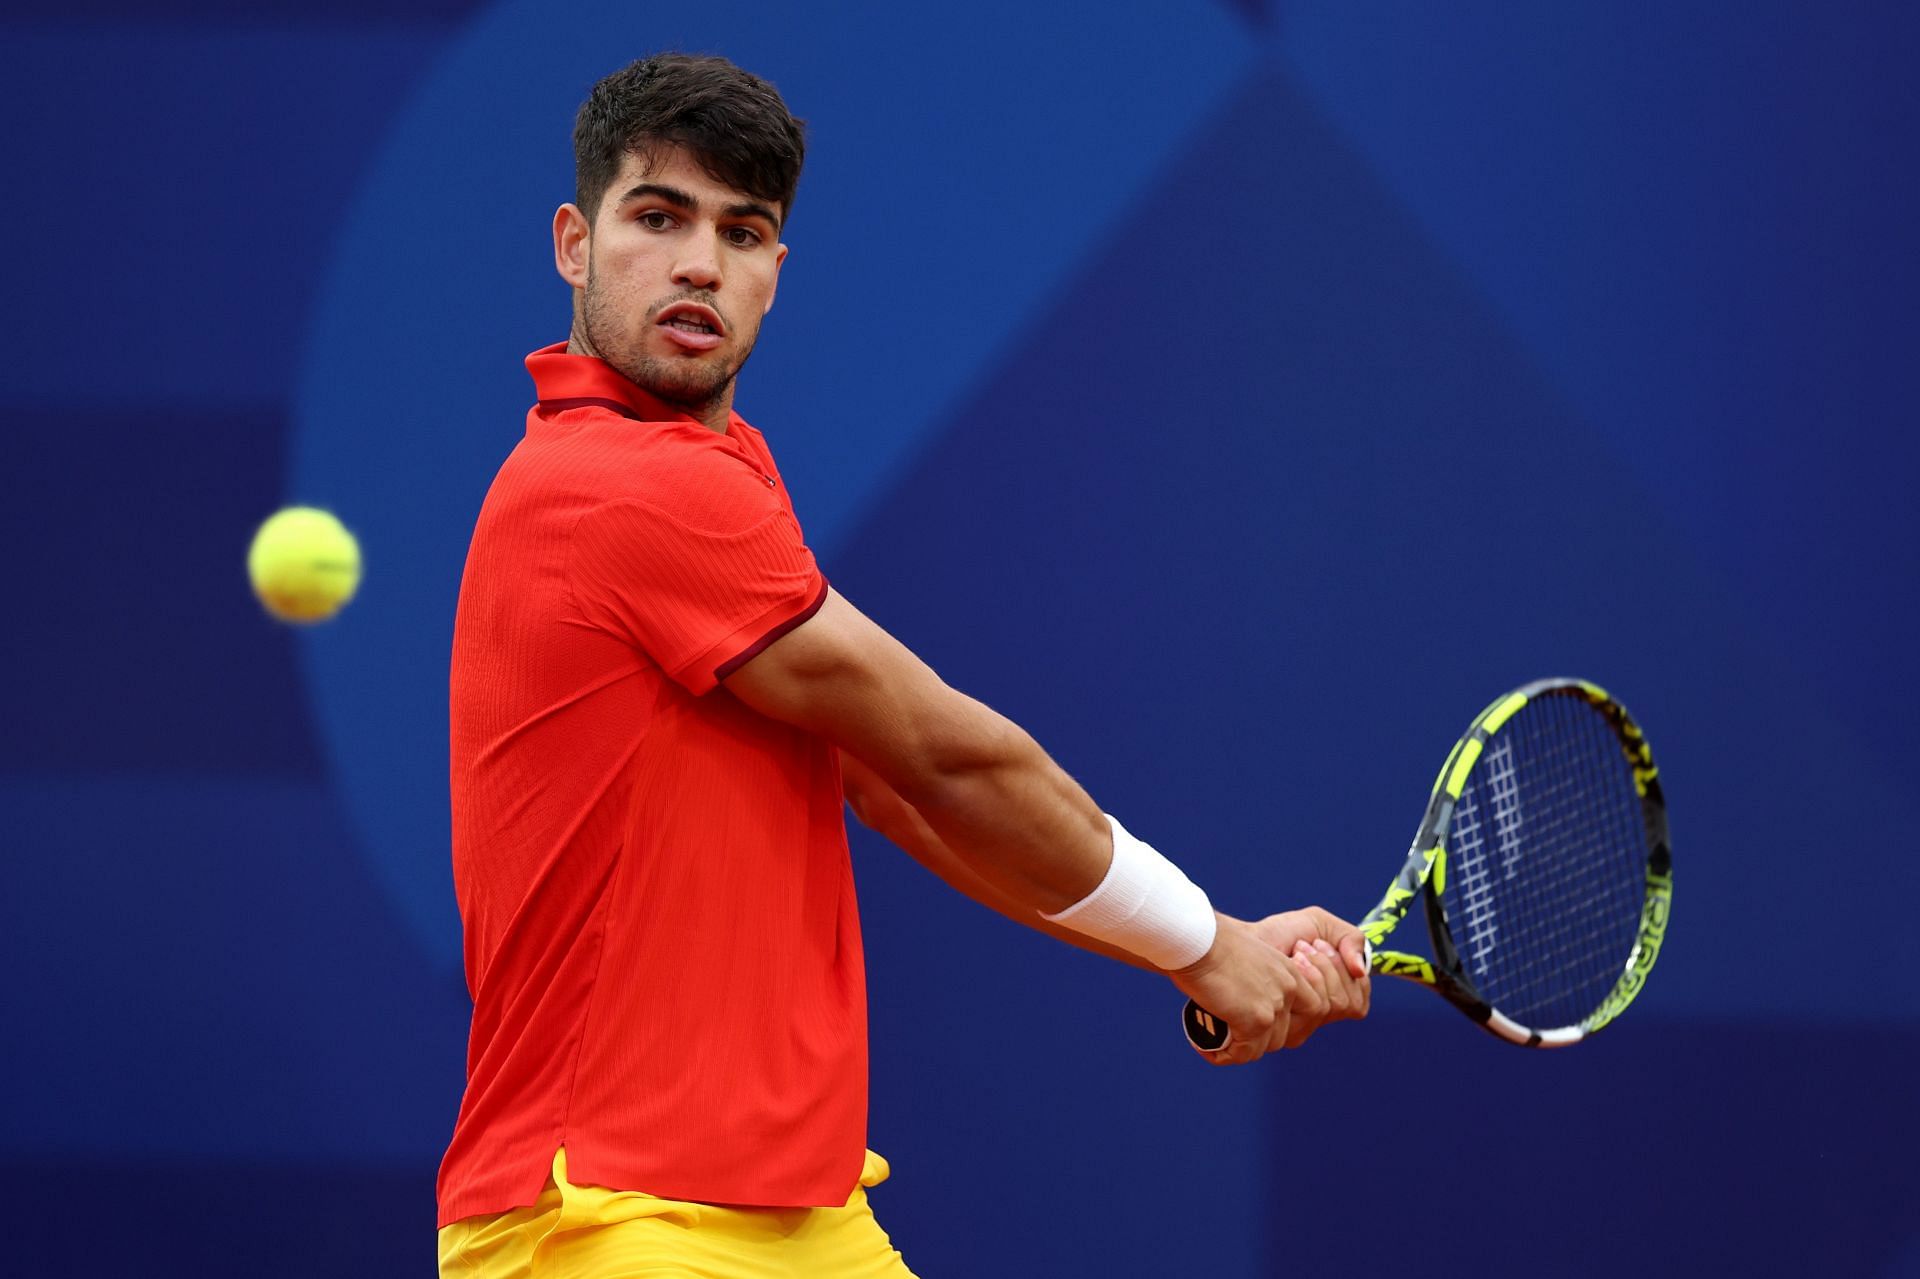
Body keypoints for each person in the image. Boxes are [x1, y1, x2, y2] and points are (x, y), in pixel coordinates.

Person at [435, 51, 1370, 1278]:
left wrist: (1205, 942)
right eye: (656, 218)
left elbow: (897, 790)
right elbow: (945, 751)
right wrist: (1203, 944)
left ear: (777, 273)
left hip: (802, 1214)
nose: (700, 263)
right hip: (606, 1217)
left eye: (744, 231)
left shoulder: (727, 474)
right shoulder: (617, 486)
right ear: (574, 241)